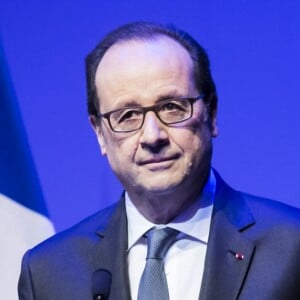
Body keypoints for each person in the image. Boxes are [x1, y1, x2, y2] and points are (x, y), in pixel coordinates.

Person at [18, 21, 300, 300]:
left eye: (172, 107)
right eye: (127, 115)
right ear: (100, 134)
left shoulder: (291, 245)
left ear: (211, 114)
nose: (152, 136)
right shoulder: (48, 272)